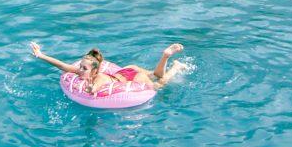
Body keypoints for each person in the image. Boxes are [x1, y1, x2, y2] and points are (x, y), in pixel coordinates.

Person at [29, 41, 186, 93]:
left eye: (84, 68)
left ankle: (170, 62)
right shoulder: (82, 71)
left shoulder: (100, 77)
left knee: (159, 84)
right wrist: (41, 55)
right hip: (126, 71)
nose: (79, 69)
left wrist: (90, 89)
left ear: (95, 70)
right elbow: (62, 65)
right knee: (155, 74)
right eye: (81, 67)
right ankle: (171, 61)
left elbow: (95, 88)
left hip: (133, 77)